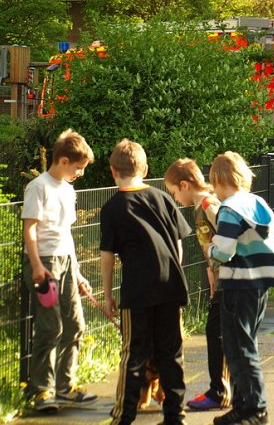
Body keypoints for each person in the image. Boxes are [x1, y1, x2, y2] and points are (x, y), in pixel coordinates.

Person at [101, 139, 191, 425]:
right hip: (170, 285)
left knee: (133, 353)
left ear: (113, 171)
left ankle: (124, 416)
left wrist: (107, 293)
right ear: (146, 169)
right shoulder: (164, 198)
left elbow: (107, 256)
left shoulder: (113, 207)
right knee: (171, 352)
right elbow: (178, 246)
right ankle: (175, 415)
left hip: (137, 291)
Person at [21, 129, 98, 412]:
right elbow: (29, 229)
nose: (80, 173)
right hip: (45, 263)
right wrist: (38, 266)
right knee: (49, 326)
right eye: (78, 168)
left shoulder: (69, 189)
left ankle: (67, 386)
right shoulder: (39, 187)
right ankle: (42, 390)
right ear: (63, 160)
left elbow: (66, 232)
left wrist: (77, 272)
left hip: (66, 260)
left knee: (75, 324)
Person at [206, 152, 274, 425]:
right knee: (247, 343)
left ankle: (254, 409)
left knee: (238, 347)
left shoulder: (230, 208)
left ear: (217, 179)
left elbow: (225, 250)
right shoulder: (258, 202)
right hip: (262, 281)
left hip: (238, 282)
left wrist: (210, 248)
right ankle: (242, 404)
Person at [164, 159, 231, 412]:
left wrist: (221, 269)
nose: (174, 196)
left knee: (216, 332)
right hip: (221, 276)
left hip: (230, 276)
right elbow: (208, 244)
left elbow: (227, 234)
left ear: (184, 184)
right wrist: (210, 273)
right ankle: (227, 388)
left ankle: (219, 390)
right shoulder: (199, 206)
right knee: (220, 332)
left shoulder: (208, 204)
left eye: (173, 191)